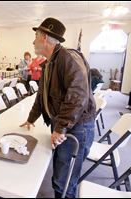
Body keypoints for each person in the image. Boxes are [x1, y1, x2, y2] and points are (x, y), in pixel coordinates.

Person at [20, 17, 96, 198]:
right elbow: (42, 96)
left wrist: (60, 127)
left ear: (44, 37)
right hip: (65, 124)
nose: (33, 40)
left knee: (65, 180)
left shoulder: (68, 58)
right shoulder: (49, 63)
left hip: (75, 127)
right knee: (60, 174)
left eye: (36, 35)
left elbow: (78, 96)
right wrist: (31, 118)